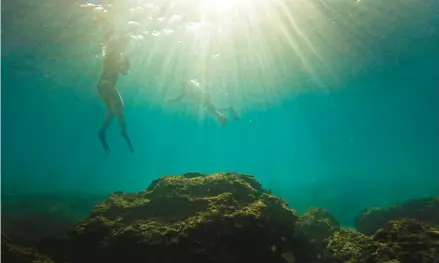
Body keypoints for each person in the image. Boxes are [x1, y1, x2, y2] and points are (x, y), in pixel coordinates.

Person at [96, 15, 134, 153]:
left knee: (113, 111)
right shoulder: (115, 55)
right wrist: (104, 22)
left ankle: (102, 132)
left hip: (101, 86)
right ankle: (123, 132)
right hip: (106, 85)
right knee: (120, 108)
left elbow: (123, 69)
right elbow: (108, 37)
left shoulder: (115, 57)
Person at [165, 80, 240, 126]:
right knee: (214, 110)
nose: (183, 86)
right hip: (204, 99)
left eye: (183, 84)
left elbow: (199, 91)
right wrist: (169, 100)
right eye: (182, 85)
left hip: (204, 98)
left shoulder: (190, 88)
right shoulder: (185, 91)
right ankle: (227, 110)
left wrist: (170, 100)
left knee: (212, 110)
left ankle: (222, 118)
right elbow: (177, 99)